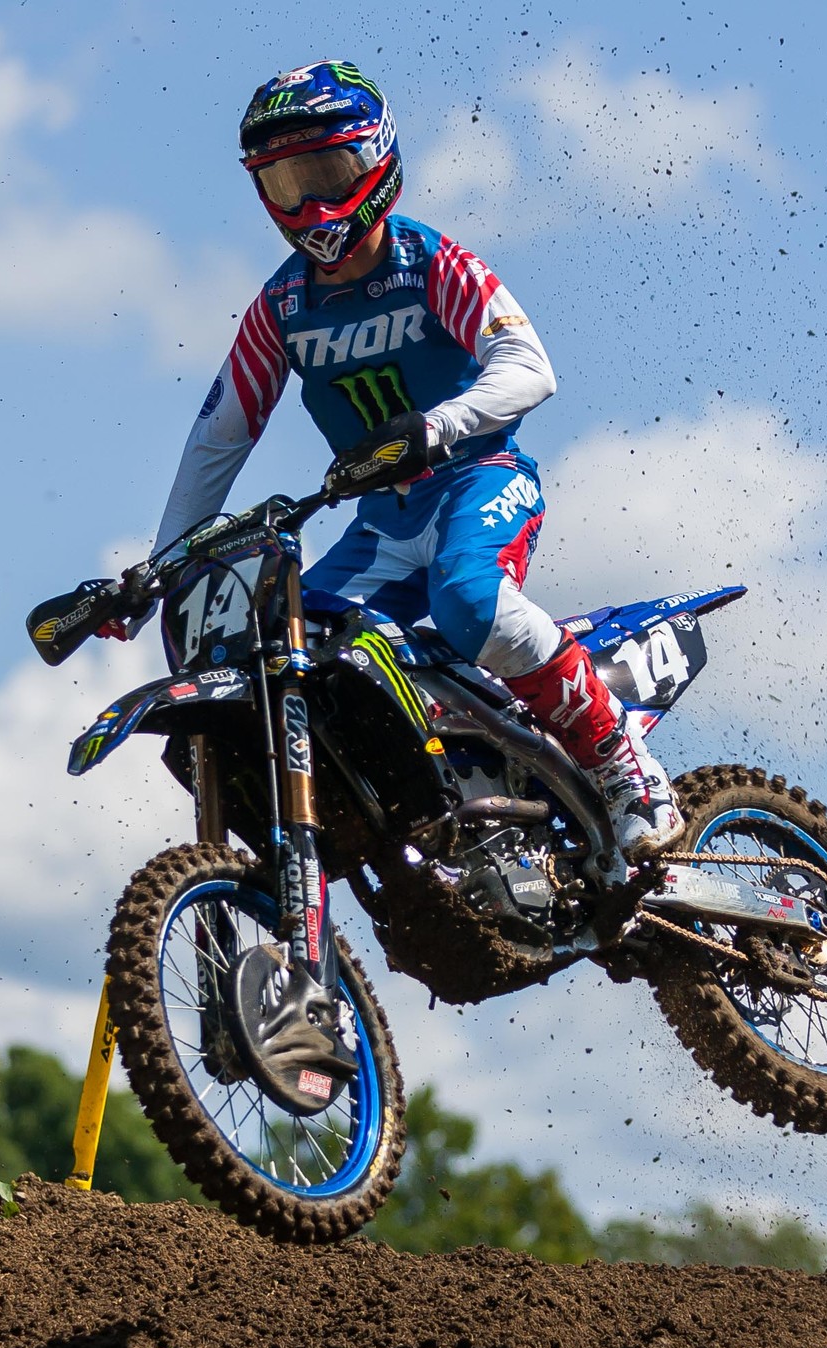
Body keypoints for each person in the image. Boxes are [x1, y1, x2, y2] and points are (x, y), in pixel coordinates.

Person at [144, 59, 682, 860]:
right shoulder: (282, 307)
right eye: (287, 183)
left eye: (327, 172)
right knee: (291, 653)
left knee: (468, 599)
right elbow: (219, 438)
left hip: (480, 480)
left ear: (377, 160)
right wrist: (163, 570)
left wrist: (441, 427)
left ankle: (626, 767)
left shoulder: (430, 261)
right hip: (384, 521)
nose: (311, 203)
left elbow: (530, 365)